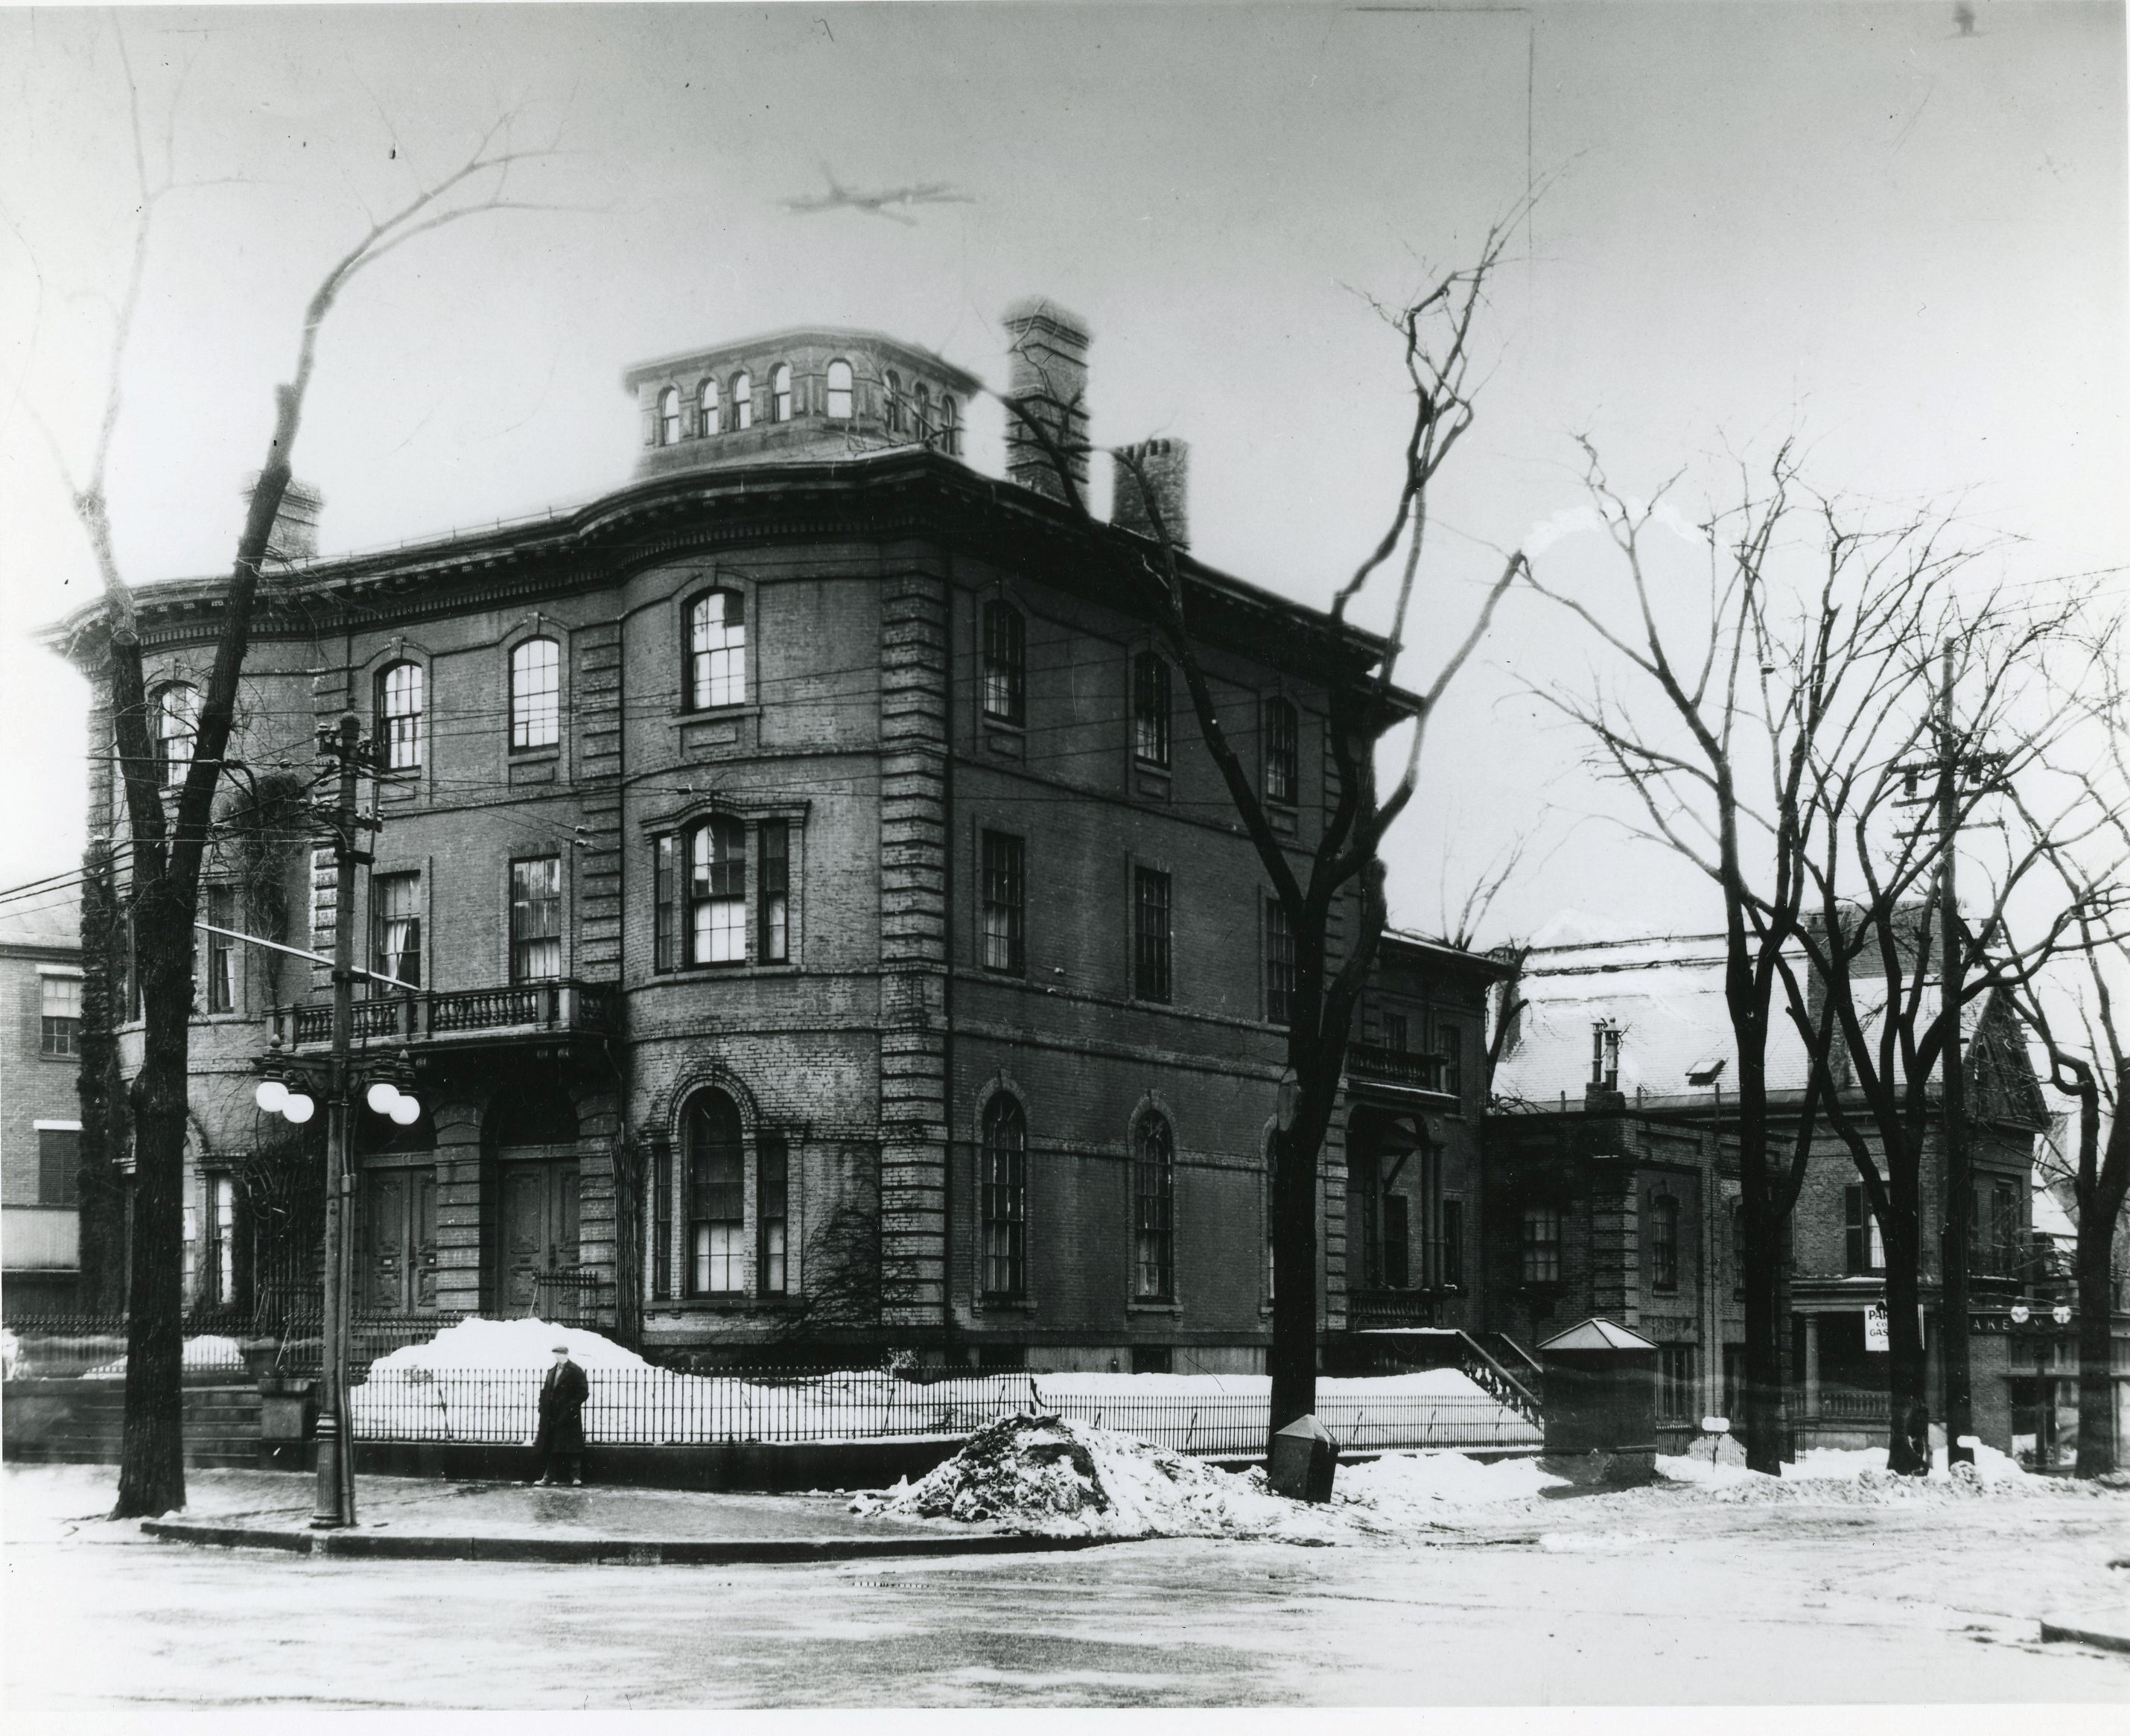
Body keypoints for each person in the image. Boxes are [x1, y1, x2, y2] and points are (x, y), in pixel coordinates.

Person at [531, 1342, 589, 1486]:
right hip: (552, 1415)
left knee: (573, 1448)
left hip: (569, 1416)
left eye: (560, 1354)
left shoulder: (576, 1370)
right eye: (556, 1354)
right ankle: (548, 1477)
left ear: (566, 1355)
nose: (558, 1357)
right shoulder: (552, 1371)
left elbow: (583, 1392)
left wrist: (570, 1408)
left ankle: (575, 1477)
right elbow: (545, 1391)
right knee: (553, 1447)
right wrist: (542, 1406)